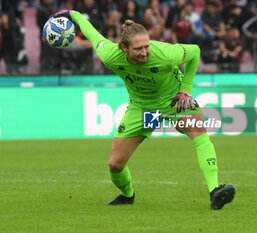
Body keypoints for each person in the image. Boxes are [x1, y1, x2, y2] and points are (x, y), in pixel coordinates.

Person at [52, 10, 236, 210]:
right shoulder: (110, 56)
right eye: (138, 49)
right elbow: (93, 34)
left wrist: (185, 91)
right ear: (123, 48)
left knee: (199, 132)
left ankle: (215, 192)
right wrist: (74, 14)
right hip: (143, 109)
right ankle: (127, 195)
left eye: (147, 46)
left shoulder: (165, 54)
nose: (145, 52)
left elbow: (195, 52)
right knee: (115, 165)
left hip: (175, 102)